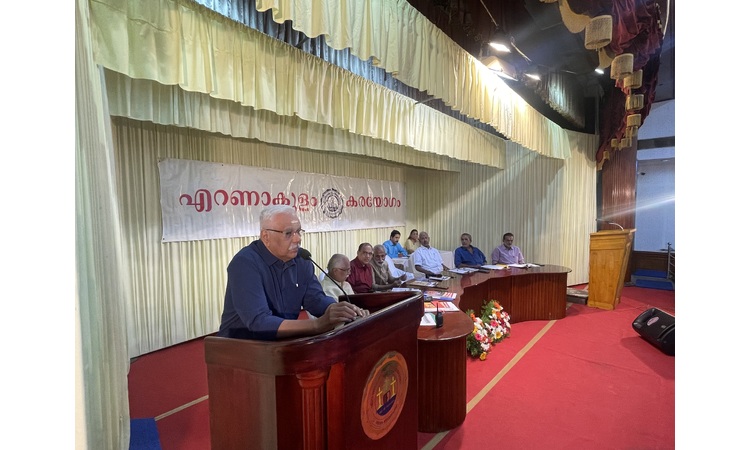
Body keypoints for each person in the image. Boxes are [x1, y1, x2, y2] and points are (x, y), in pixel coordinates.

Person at [217, 205, 367, 340]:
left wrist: (338, 310)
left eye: (298, 231)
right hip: (241, 347)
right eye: (288, 233)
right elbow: (259, 322)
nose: (298, 239)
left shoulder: (302, 260)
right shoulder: (245, 263)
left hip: (283, 344)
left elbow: (315, 299)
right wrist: (317, 325)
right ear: (266, 237)